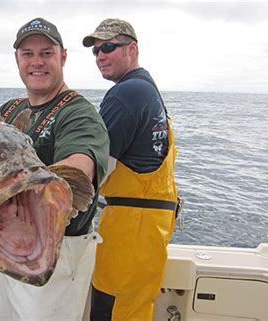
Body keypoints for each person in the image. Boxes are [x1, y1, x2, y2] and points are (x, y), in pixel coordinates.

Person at [0, 17, 109, 321]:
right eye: (27, 53)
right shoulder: (9, 110)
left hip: (53, 254)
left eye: (46, 53)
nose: (36, 62)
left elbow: (79, 165)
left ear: (63, 57)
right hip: (3, 250)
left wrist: (48, 186)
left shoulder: (78, 112)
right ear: (16, 59)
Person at [82, 19, 179, 321]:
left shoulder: (127, 93)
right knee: (135, 309)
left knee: (112, 310)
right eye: (96, 50)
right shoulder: (148, 90)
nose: (100, 56)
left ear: (132, 49)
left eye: (109, 47)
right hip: (150, 230)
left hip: (130, 230)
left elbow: (94, 169)